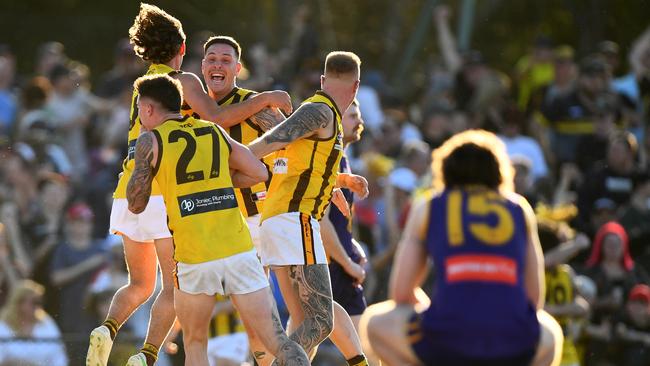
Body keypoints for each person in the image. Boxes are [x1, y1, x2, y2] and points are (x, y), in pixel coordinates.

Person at [88, 4, 295, 366]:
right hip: (163, 193)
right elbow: (215, 117)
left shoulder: (145, 87)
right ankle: (147, 355)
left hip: (126, 191)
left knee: (139, 285)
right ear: (184, 50)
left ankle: (107, 328)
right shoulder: (179, 84)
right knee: (173, 288)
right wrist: (266, 97)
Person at [126, 74, 309, 366]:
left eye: (139, 111)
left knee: (195, 343)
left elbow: (135, 204)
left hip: (194, 257)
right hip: (238, 249)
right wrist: (221, 183)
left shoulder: (151, 140)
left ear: (148, 109)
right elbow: (259, 173)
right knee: (277, 339)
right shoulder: (213, 130)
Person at [360, 129, 563, 366]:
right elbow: (534, 299)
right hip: (512, 343)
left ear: (444, 169)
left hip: (446, 341)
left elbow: (401, 293)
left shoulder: (429, 206)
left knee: (375, 323)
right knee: (549, 332)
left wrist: (435, 312)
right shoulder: (519, 208)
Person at [248, 51, 369, 365]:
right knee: (322, 320)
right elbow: (272, 141)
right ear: (356, 87)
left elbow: (301, 165)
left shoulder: (326, 116)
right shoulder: (321, 110)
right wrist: (228, 160)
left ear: (323, 79)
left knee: (305, 320)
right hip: (294, 220)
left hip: (282, 220)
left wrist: (340, 182)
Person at [0, 280, 68, 366]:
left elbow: (59, 357)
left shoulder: (46, 323)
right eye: (34, 302)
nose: (38, 307)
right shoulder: (3, 325)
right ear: (19, 303)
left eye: (39, 302)